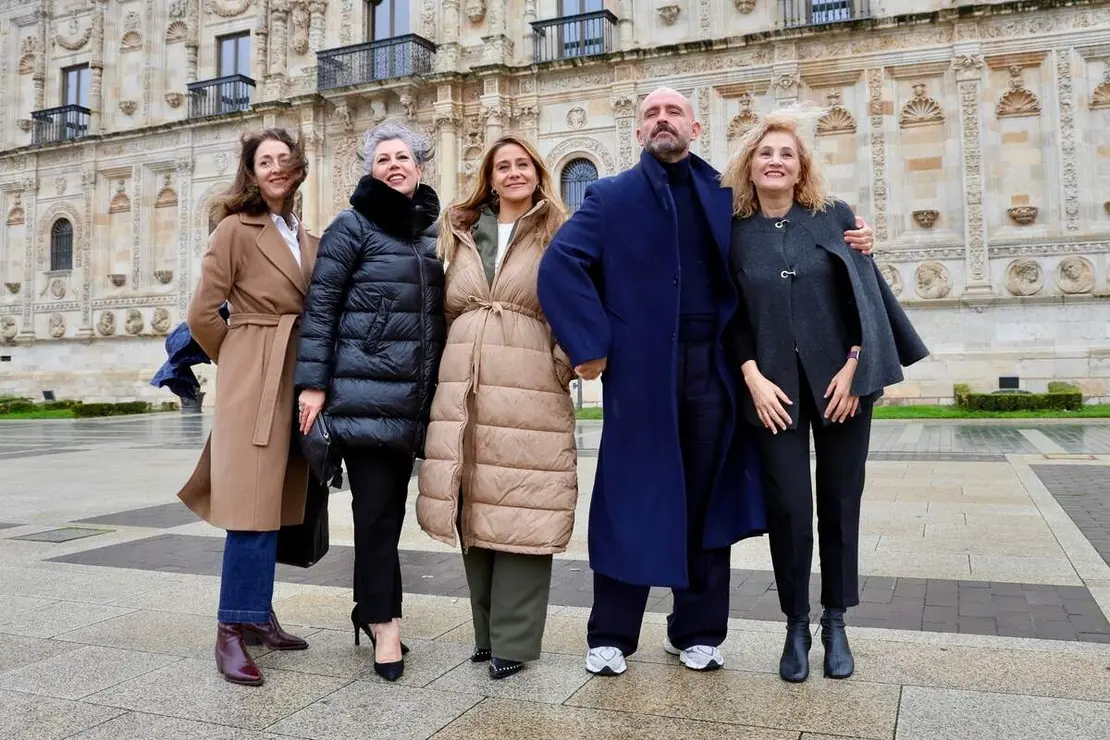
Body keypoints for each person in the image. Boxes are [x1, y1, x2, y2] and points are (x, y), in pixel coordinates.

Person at [536, 87, 877, 677]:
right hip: (641, 374)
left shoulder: (727, 196)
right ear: (638, 131)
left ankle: (696, 631)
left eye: (673, 113)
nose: (662, 120)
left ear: (695, 127)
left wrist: (857, 240)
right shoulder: (609, 197)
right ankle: (612, 634)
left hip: (717, 371)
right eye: (651, 114)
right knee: (629, 498)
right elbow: (560, 265)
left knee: (706, 499)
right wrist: (591, 348)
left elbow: (791, 229)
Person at [720, 105, 928, 683]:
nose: (776, 161)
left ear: (801, 165)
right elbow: (730, 313)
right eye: (766, 153)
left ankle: (835, 620)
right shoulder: (735, 231)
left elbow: (863, 298)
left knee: (840, 502)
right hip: (772, 393)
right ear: (750, 164)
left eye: (787, 153)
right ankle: (794, 623)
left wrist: (856, 367)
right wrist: (751, 375)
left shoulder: (835, 217)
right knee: (789, 507)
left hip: (841, 388)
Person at [416, 135, 577, 680]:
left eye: (522, 164)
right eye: (502, 166)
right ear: (489, 176)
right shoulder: (459, 231)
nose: (512, 173)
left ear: (537, 171)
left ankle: (515, 640)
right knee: (474, 503)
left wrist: (562, 364)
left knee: (524, 503)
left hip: (528, 379)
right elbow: (440, 310)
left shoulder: (559, 230)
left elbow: (578, 302)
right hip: (463, 383)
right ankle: (486, 634)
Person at [294, 120, 445, 682]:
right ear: (369, 169)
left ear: (420, 167)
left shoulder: (430, 232)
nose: (394, 165)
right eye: (383, 159)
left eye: (402, 156)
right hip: (364, 395)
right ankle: (385, 624)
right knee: (377, 514)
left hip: (413, 399)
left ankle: (369, 606)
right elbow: (322, 307)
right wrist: (313, 384)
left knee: (387, 513)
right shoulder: (350, 227)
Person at [177, 128, 317, 687]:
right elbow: (203, 313)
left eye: (285, 159)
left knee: (279, 501)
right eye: (265, 161)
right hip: (255, 373)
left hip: (296, 371)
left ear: (298, 167)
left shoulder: (302, 234)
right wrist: (238, 360)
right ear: (251, 172)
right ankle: (230, 629)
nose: (277, 168)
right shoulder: (235, 229)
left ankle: (258, 614)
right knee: (251, 507)